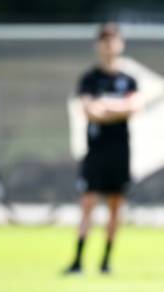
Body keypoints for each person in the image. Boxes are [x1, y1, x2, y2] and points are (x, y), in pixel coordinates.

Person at [65, 23, 141, 274]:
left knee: (116, 206)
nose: (108, 46)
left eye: (113, 40)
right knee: (87, 203)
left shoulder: (128, 79)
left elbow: (133, 107)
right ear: (98, 45)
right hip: (95, 151)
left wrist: (106, 105)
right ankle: (78, 260)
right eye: (104, 41)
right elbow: (90, 112)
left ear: (120, 44)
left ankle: (106, 261)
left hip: (120, 151)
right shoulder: (90, 78)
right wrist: (115, 109)